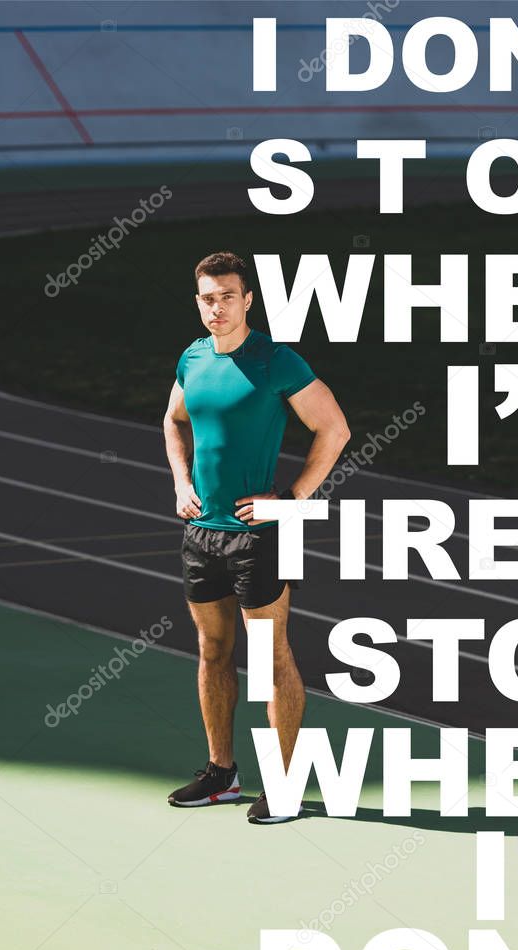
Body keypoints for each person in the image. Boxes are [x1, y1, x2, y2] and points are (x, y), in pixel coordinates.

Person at [163, 251, 350, 823]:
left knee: (270, 662)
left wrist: (292, 500)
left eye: (226, 297)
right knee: (212, 651)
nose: (215, 308)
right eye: (206, 298)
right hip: (202, 532)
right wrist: (180, 481)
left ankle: (286, 785)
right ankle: (222, 773)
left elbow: (334, 428)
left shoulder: (277, 361)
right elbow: (174, 420)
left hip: (259, 534)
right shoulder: (192, 357)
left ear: (247, 301)